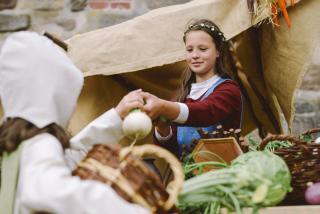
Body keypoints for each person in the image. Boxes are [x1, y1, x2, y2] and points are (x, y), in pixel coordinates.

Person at [0, 32, 149, 214]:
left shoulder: (17, 141)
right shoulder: (41, 143)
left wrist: (117, 117)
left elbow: (74, 154)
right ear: (54, 96)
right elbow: (49, 191)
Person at [142, 19, 242, 158]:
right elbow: (173, 153)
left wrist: (164, 107)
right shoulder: (182, 94)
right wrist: (162, 129)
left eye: (202, 49)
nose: (195, 55)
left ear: (218, 51)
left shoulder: (228, 90)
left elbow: (206, 111)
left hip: (224, 173)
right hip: (189, 176)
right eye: (189, 50)